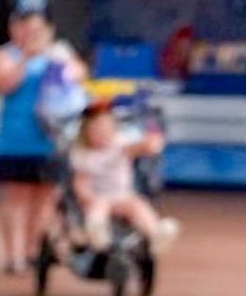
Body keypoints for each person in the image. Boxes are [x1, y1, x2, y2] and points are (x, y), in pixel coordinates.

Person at [0, 0, 84, 274]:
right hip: (16, 140)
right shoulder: (5, 55)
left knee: (45, 198)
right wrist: (26, 58)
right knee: (16, 197)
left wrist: (59, 61)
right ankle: (12, 256)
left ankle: (33, 251)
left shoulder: (59, 52)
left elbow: (77, 77)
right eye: (23, 23)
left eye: (36, 24)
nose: (30, 29)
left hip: (50, 141)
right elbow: (2, 83)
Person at [69, 101, 181, 253]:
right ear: (86, 133)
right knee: (98, 208)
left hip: (122, 196)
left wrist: (150, 143)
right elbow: (80, 183)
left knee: (139, 206)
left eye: (105, 129)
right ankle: (97, 232)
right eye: (95, 130)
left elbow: (138, 148)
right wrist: (88, 198)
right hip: (98, 197)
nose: (101, 134)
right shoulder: (83, 155)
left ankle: (155, 232)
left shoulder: (119, 144)